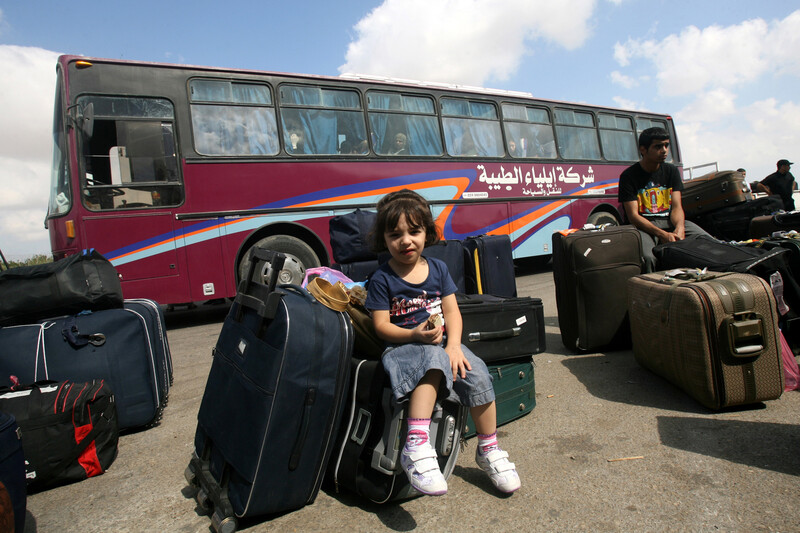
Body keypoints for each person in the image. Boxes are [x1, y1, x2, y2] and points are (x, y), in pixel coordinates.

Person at [364, 189, 521, 496]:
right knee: (432, 361)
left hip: (441, 344)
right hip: (403, 349)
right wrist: (413, 335)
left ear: (427, 233)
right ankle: (417, 446)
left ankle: (488, 449)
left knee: (476, 371)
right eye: (395, 234)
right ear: (384, 239)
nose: (406, 241)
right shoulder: (382, 278)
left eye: (414, 231)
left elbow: (453, 313)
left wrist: (453, 346)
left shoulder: (437, 269)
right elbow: (381, 326)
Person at [618, 127, 710, 272]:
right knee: (648, 258)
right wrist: (661, 234)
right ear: (643, 150)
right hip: (642, 227)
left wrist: (680, 228)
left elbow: (677, 207)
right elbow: (633, 216)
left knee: (709, 243)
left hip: (670, 222)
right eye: (658, 146)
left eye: (666, 145)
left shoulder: (671, 171)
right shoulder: (628, 176)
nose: (664, 150)